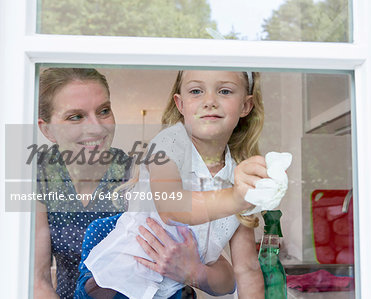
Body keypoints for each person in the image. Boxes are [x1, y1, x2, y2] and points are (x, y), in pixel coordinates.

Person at [34, 68, 236, 299]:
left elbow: (227, 279)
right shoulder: (40, 181)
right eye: (76, 117)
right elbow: (37, 280)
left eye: (104, 111)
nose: (97, 127)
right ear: (47, 129)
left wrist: (194, 272)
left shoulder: (142, 172)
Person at [77, 70, 267, 298]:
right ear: (180, 104)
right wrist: (237, 197)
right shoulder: (169, 143)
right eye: (196, 91)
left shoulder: (238, 176)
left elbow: (247, 268)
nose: (209, 102)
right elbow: (172, 208)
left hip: (169, 290)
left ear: (246, 106)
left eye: (224, 91)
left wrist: (198, 272)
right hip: (114, 284)